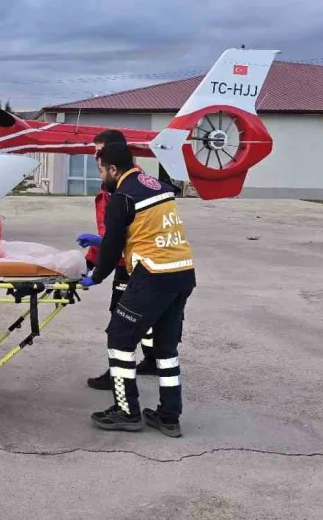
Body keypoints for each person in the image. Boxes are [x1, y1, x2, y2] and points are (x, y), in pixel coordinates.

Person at [78, 141, 195, 437]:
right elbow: (146, 232)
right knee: (166, 349)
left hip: (153, 276)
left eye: (101, 169)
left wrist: (96, 275)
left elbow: (115, 246)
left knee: (119, 337)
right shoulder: (156, 186)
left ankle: (126, 411)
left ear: (113, 169)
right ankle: (169, 416)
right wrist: (101, 241)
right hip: (182, 273)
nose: (100, 175)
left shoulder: (122, 196)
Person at [79, 131, 156, 391]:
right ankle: (153, 358)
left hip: (130, 263)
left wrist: (94, 270)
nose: (95, 156)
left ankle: (118, 376)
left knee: (121, 321)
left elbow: (113, 237)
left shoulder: (122, 188)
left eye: (99, 150)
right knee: (143, 315)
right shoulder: (137, 181)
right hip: (143, 262)